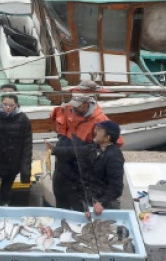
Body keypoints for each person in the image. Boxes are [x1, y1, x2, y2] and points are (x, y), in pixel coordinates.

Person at [46, 80, 119, 211]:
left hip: (81, 170)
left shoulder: (101, 121)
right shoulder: (67, 109)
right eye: (73, 104)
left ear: (87, 103)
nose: (74, 108)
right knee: (60, 200)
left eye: (78, 105)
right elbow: (55, 121)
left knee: (79, 206)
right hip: (62, 165)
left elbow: (111, 145)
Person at [0, 93, 33, 206]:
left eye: (11, 105)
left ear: (16, 105)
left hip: (11, 165)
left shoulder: (24, 120)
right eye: (5, 104)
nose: (8, 107)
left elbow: (27, 145)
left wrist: (25, 171)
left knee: (6, 192)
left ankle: (3, 211)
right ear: (1, 104)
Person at [79, 120, 125, 216]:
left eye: (100, 130)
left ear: (107, 138)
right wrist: (56, 150)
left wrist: (102, 203)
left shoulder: (114, 156)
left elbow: (116, 186)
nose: (96, 131)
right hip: (92, 198)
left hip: (106, 203)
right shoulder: (96, 148)